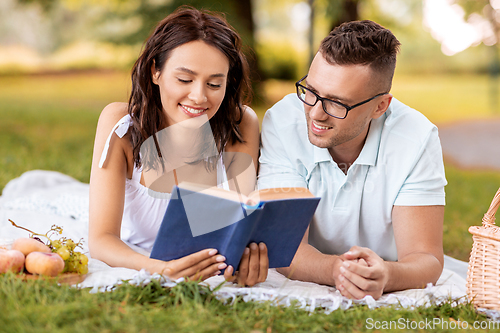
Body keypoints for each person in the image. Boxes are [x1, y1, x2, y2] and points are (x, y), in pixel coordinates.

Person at [258, 20, 447, 299]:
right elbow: (285, 247)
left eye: (337, 103)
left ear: (380, 106)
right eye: (310, 91)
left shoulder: (417, 138)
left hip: (386, 264)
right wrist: (337, 270)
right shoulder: (283, 122)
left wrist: (387, 275)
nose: (315, 114)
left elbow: (426, 258)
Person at [88, 7, 268, 286]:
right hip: (140, 258)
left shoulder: (239, 124)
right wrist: (160, 269)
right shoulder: (121, 126)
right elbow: (101, 239)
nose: (199, 96)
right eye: (184, 79)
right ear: (155, 71)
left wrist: (246, 258)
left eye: (214, 83)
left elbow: (239, 228)